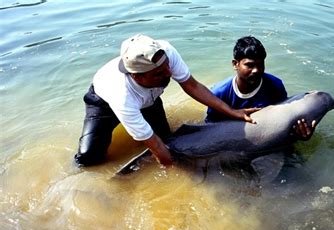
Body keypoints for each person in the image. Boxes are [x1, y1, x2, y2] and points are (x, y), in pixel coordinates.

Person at [74, 34, 259, 167]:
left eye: (167, 66)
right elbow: (155, 147)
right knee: (88, 158)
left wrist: (232, 111)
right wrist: (177, 178)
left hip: (149, 98)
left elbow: (192, 86)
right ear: (137, 77)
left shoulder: (165, 52)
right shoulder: (122, 96)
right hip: (103, 103)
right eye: (159, 73)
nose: (169, 73)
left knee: (168, 141)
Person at [205, 36, 316, 139]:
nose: (256, 70)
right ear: (235, 64)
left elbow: (284, 120)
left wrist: (299, 134)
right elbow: (209, 130)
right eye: (249, 65)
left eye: (260, 64)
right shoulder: (219, 93)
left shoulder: (275, 86)